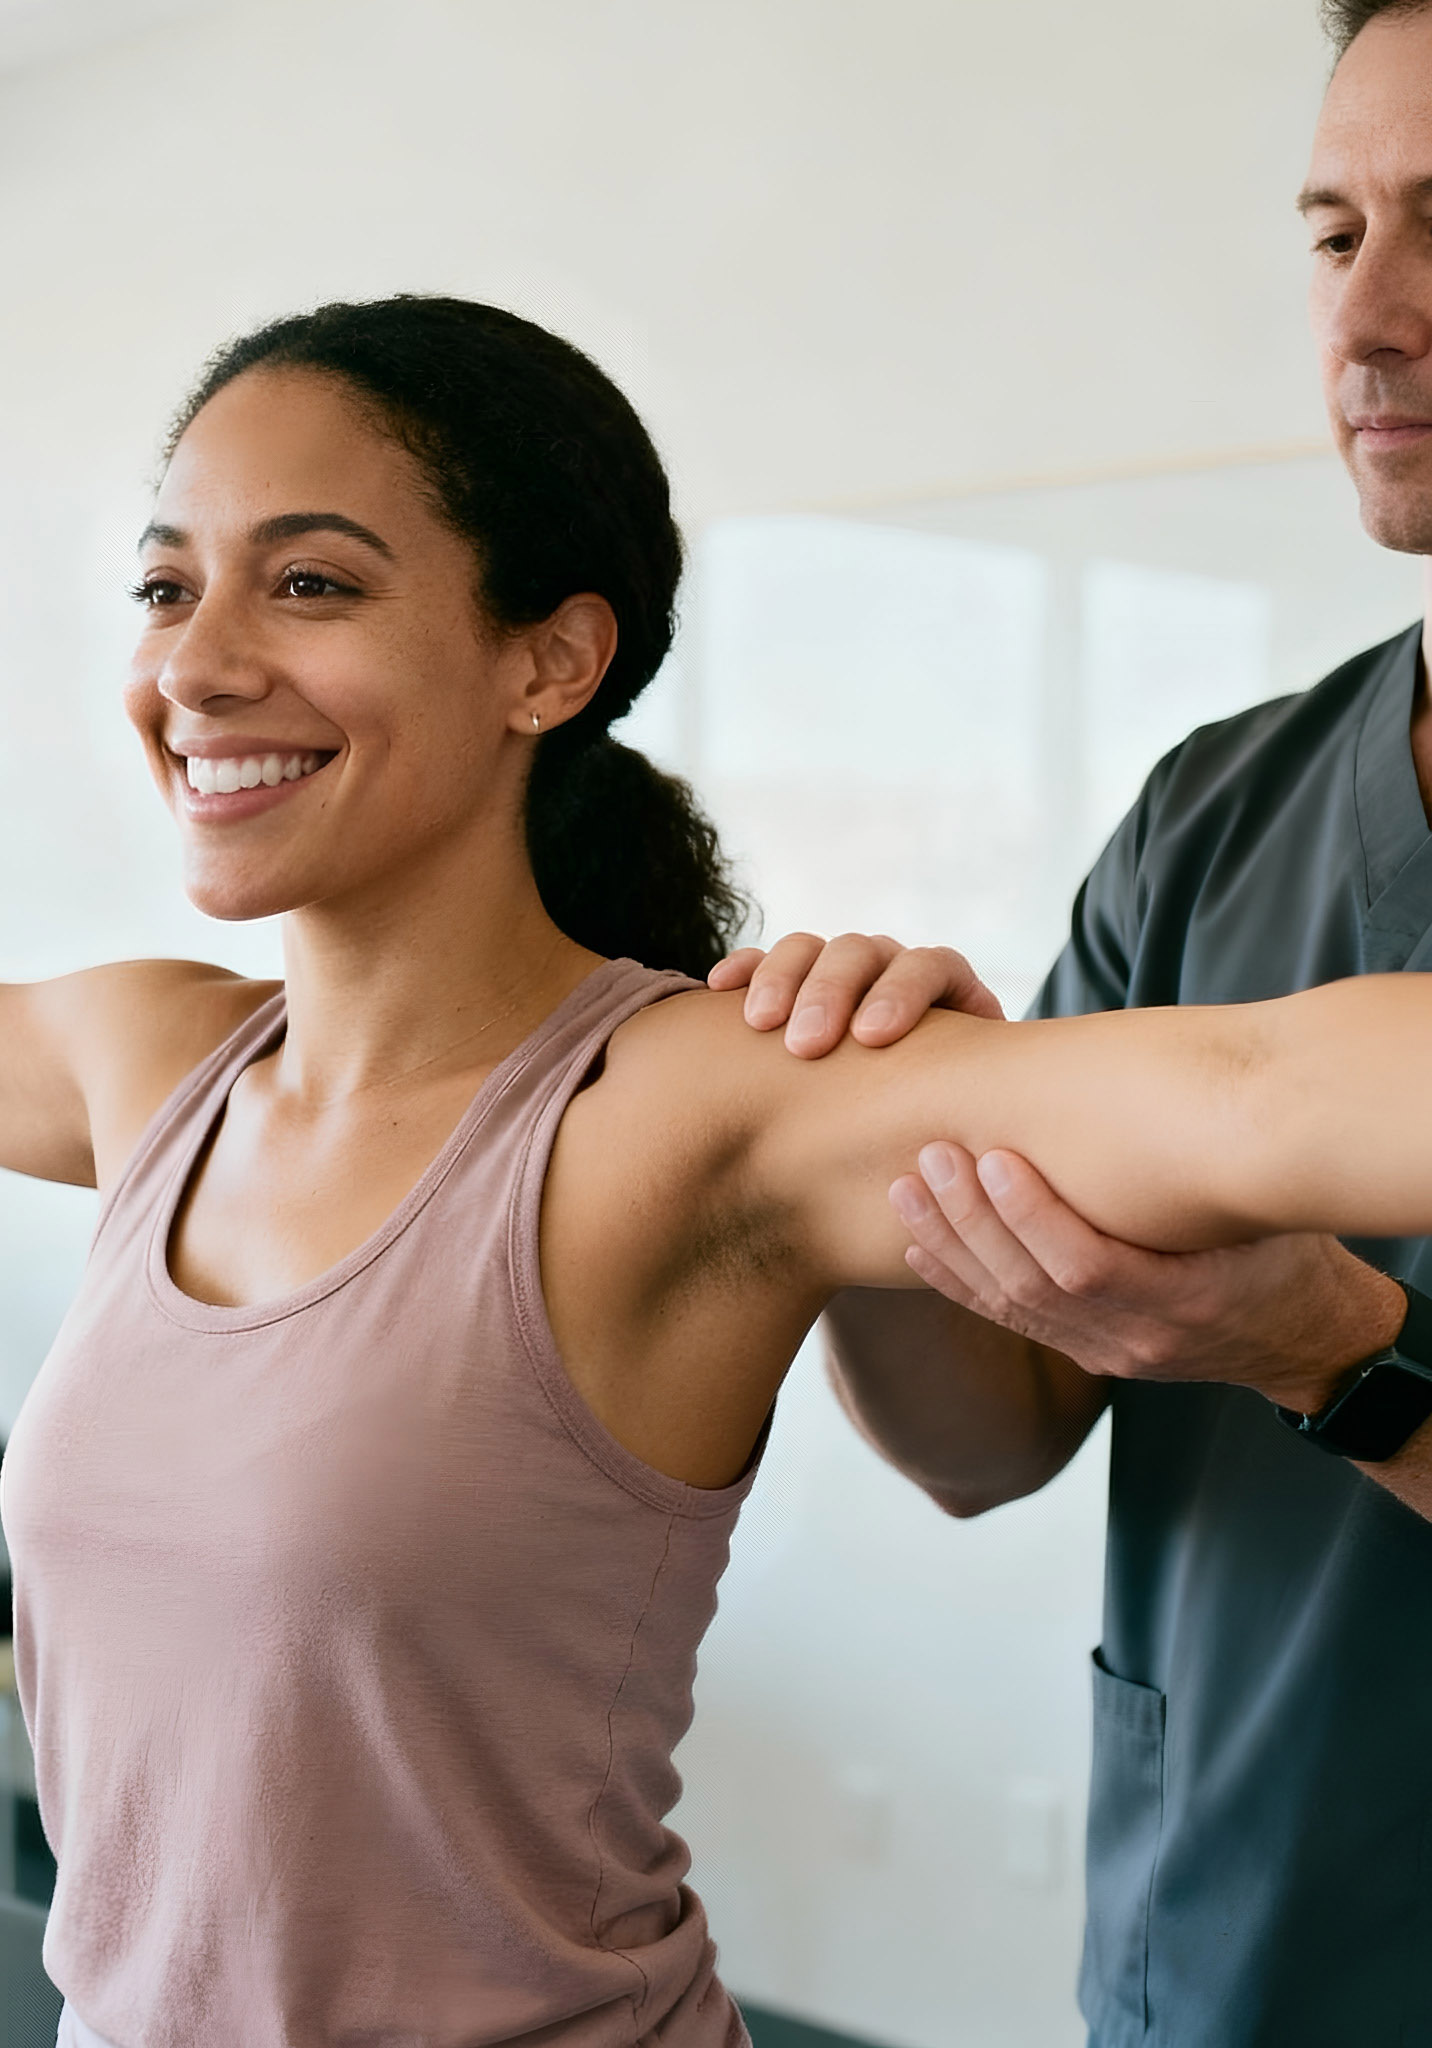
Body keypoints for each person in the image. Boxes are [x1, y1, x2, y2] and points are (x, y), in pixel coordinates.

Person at [0, 296, 1432, 2048]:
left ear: (546, 661)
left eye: (307, 583)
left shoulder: (694, 1100)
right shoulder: (157, 1065)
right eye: (163, 581)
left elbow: (1262, 1085)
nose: (195, 662)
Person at [708, 7, 1432, 2043]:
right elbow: (985, 1442)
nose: (1367, 317)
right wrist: (874, 1164)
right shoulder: (1220, 810)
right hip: (1224, 1930)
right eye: (1327, 230)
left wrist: (1333, 1358)